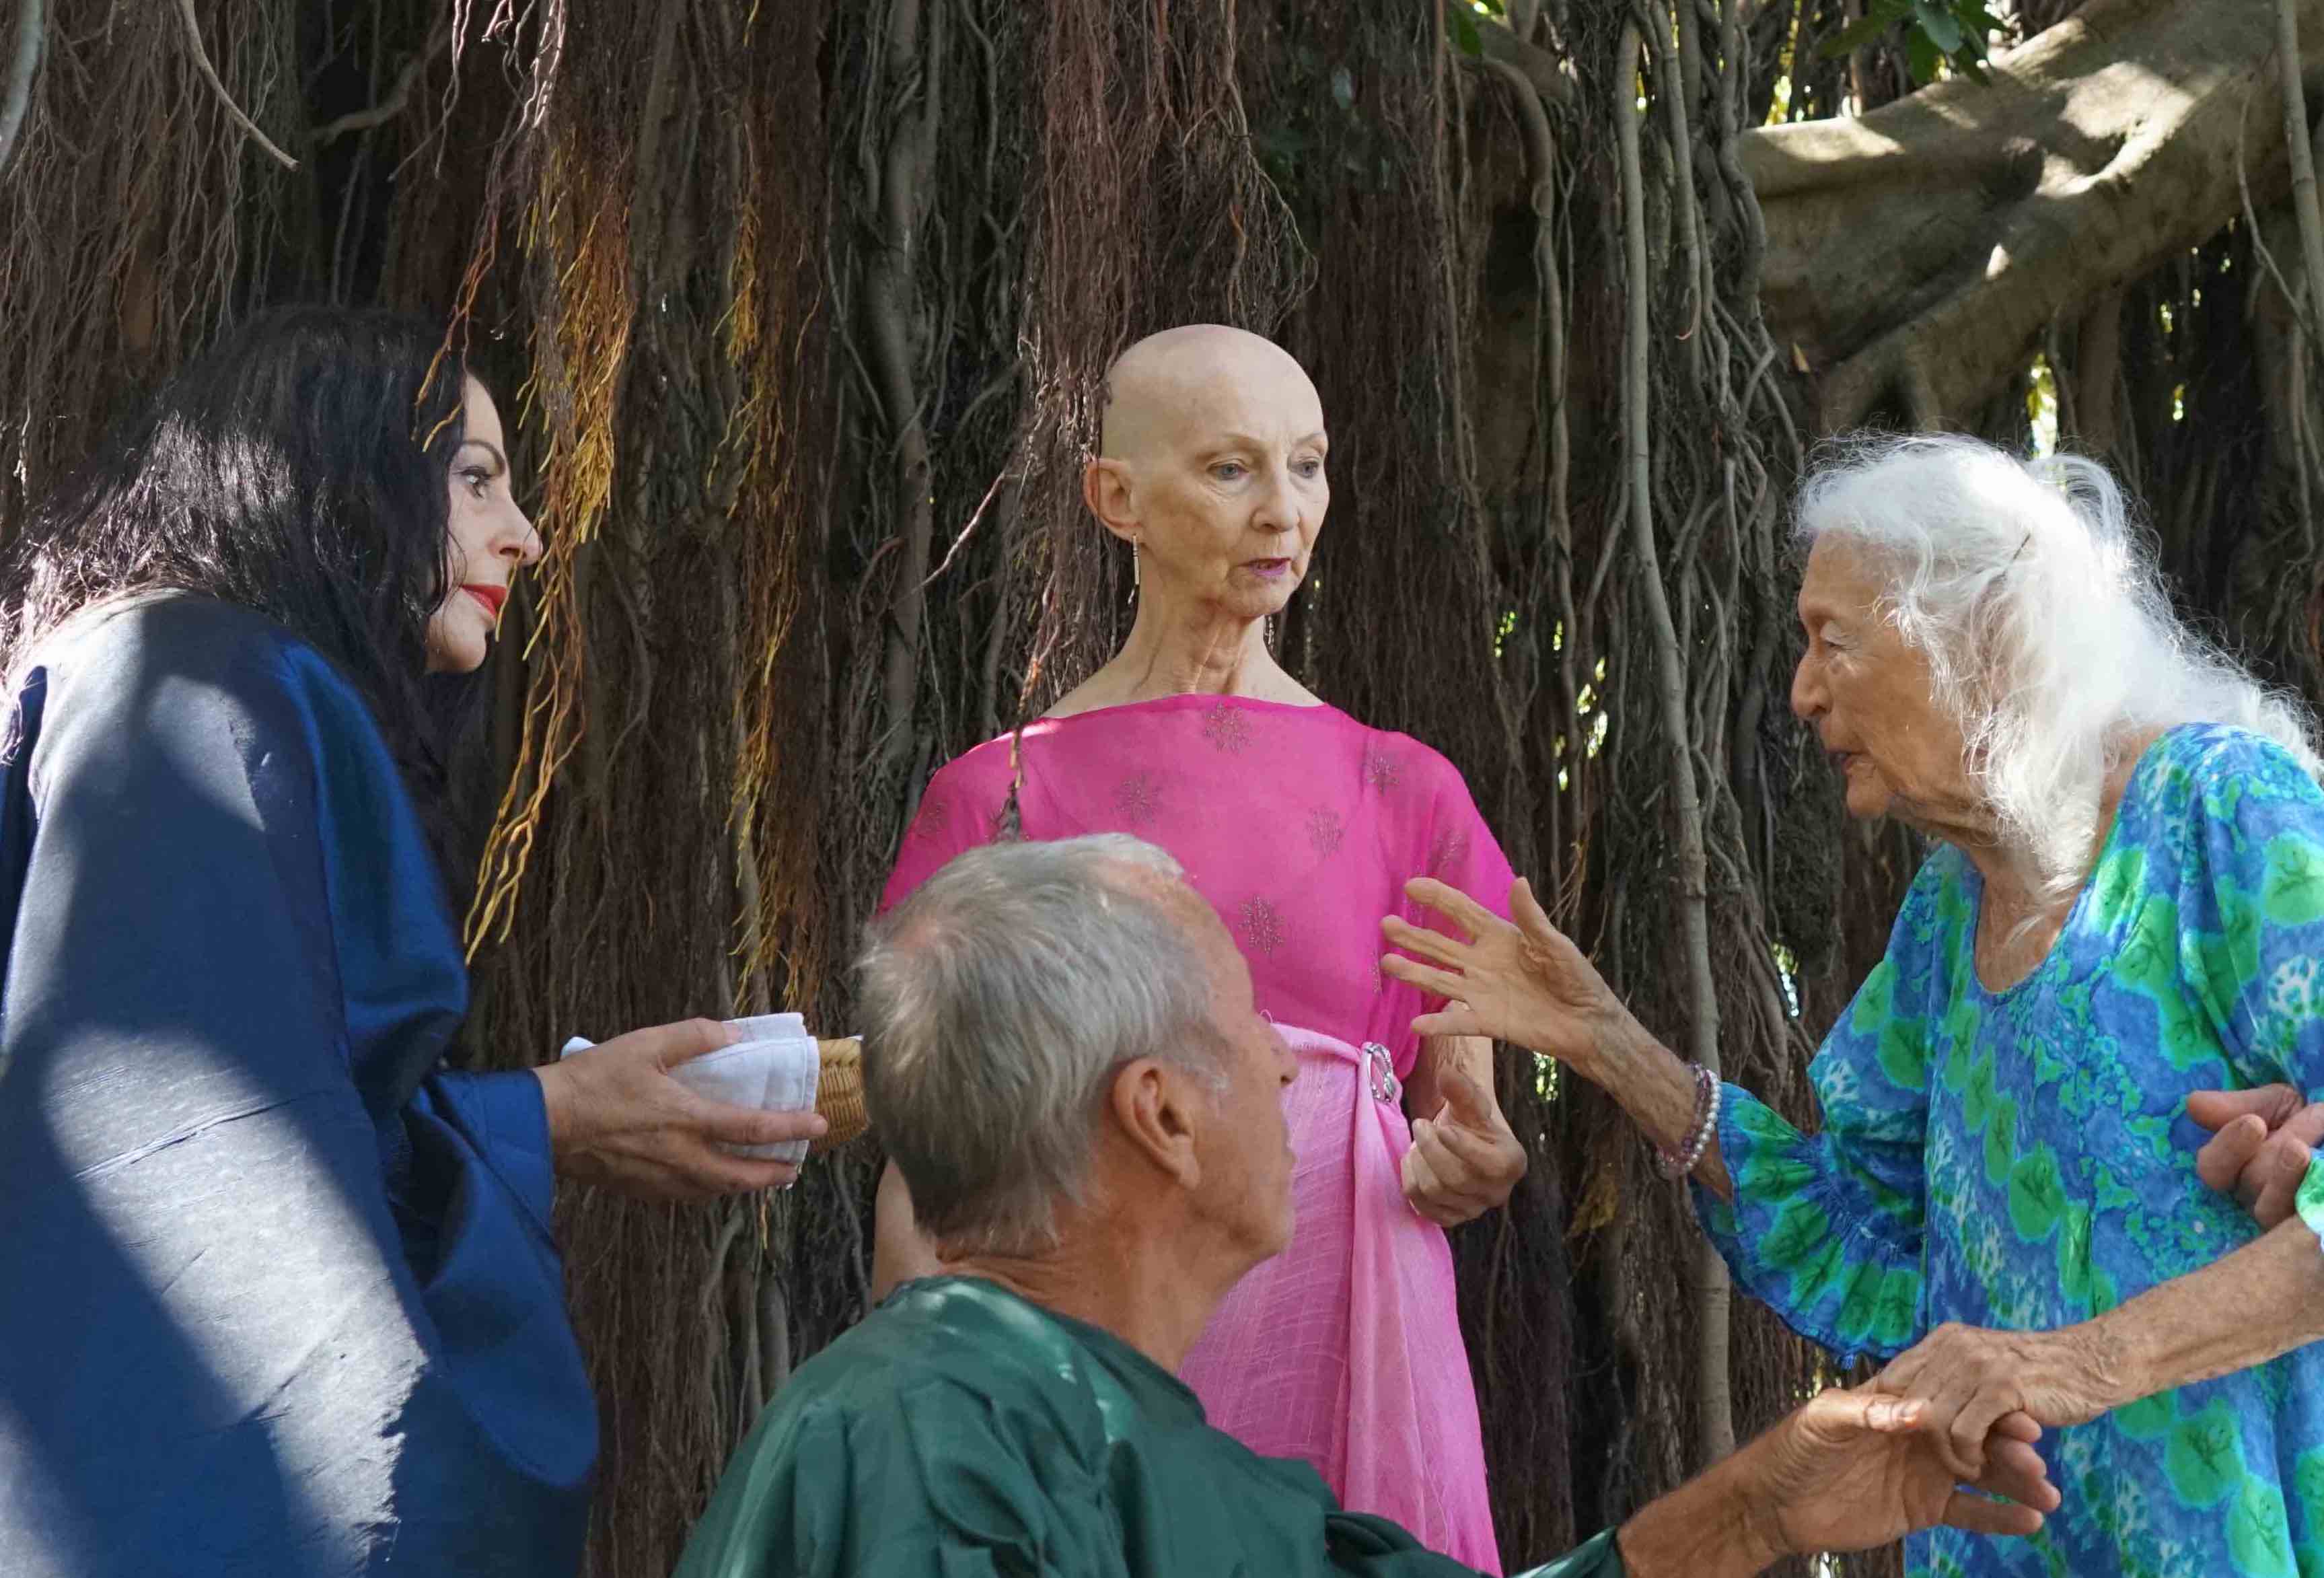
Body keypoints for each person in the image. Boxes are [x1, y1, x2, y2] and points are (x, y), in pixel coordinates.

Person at [1380, 432, 2324, 1576]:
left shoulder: (2212, 809)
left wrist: (2066, 1364)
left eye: (1835, 640)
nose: (1802, 689)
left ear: (1984, 639)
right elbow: (1864, 1240)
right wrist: (1610, 1043)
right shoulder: (1944, 913)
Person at [0, 306, 828, 1578]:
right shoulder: (190, 683)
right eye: (477, 479)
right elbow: (196, 1176)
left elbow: (286, 1120)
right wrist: (543, 1119)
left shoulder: (195, 676)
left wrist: (541, 1118)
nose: (527, 535)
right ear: (332, 470)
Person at [676, 834, 2059, 1578]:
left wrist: (1759, 1507)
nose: (1289, 1062)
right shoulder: (926, 1449)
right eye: (1249, 1028)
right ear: (1158, 1115)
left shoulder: (1086, 1423)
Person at [873, 324, 1524, 1566]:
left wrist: (1474, 1161)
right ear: (1115, 498)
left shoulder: (1410, 792)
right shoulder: (996, 798)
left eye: (1308, 464)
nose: (1284, 510)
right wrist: (942, 1408)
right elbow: (925, 1173)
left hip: (1353, 1322)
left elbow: (1469, 1121)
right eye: (1231, 470)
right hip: (1079, 1341)